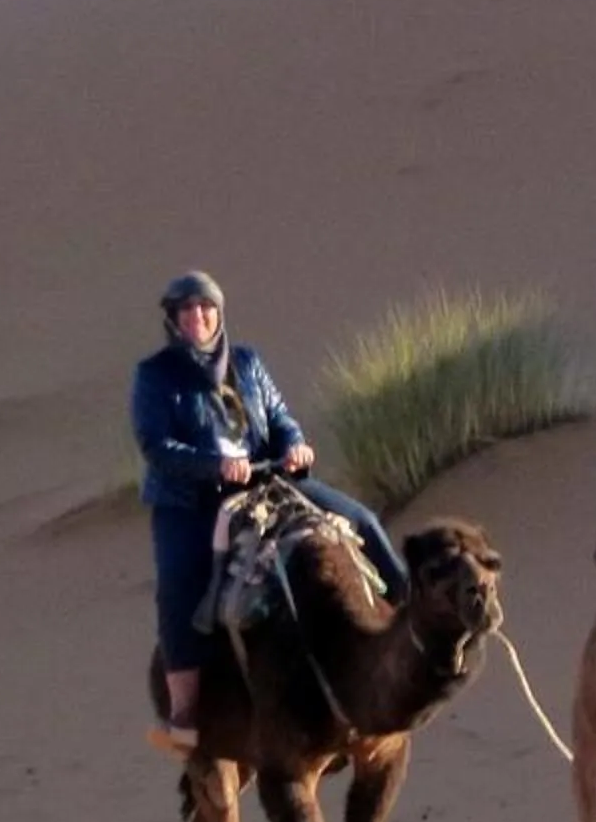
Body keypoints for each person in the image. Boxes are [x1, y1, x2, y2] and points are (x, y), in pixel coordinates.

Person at [131, 271, 404, 756]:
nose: (198, 317)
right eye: (186, 310)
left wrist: (295, 446)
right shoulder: (156, 375)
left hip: (269, 480)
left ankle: (409, 625)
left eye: (205, 308)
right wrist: (214, 465)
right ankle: (184, 714)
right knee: (180, 588)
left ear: (219, 313)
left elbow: (279, 418)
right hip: (191, 500)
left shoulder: (247, 363)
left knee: (363, 522)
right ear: (173, 320)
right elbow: (157, 446)